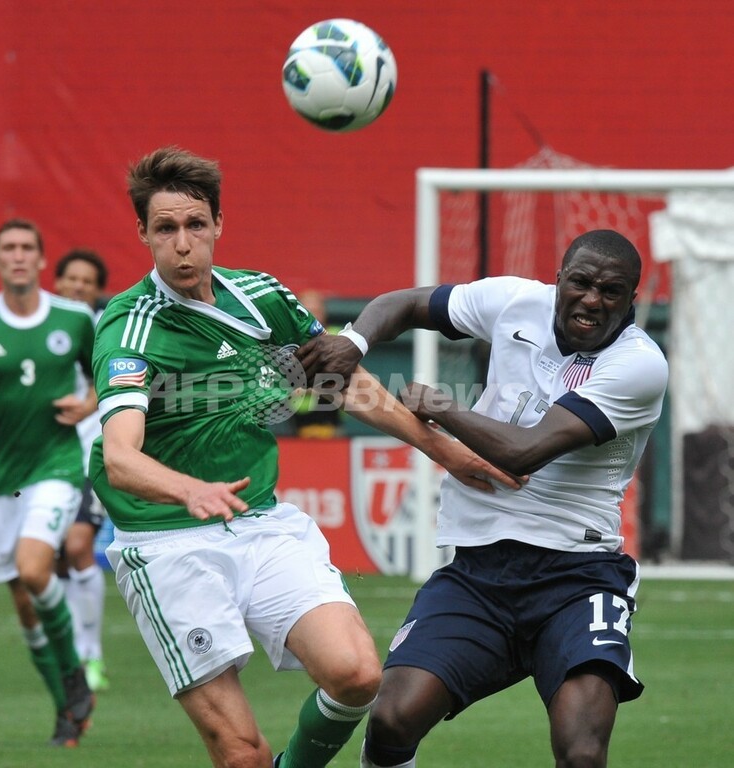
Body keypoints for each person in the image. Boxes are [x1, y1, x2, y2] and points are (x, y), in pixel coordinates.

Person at [88, 145, 520, 768]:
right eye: (165, 229)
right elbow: (120, 457)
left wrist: (442, 449)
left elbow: (343, 383)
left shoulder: (262, 296)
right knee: (242, 755)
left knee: (358, 676)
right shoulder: (129, 326)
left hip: (261, 524)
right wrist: (189, 489)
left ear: (218, 224)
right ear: (143, 234)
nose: (182, 244)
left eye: (195, 225)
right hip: (167, 544)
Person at [296, 229, 669, 768]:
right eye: (581, 283)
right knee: (391, 720)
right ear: (559, 279)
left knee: (582, 752)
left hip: (578, 576)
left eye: (610, 291)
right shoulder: (516, 300)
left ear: (631, 299)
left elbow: (523, 452)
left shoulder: (639, 365)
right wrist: (354, 342)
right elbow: (407, 303)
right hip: (478, 573)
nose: (592, 300)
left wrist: (439, 408)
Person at [0, 219, 98, 747]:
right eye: (8, 248)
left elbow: (108, 375)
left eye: (27, 247)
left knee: (35, 568)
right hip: (3, 479)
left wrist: (88, 406)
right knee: (26, 607)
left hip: (58, 466)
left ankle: (75, 670)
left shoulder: (74, 318)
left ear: (40, 259)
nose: (17, 255)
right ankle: (66, 711)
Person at [54, 248, 111, 692]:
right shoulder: (42, 328)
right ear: (58, 282)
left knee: (77, 545)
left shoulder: (106, 328)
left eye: (86, 281)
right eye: (71, 279)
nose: (77, 286)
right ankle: (71, 655)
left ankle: (92, 657)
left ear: (97, 291)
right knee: (53, 560)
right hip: (47, 458)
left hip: (93, 452)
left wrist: (89, 406)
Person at [290, 289, 343, 438]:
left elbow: (341, 378)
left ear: (324, 312)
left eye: (316, 310)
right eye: (307, 311)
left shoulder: (338, 337)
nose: (313, 316)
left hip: (331, 418)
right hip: (297, 421)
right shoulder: (289, 341)